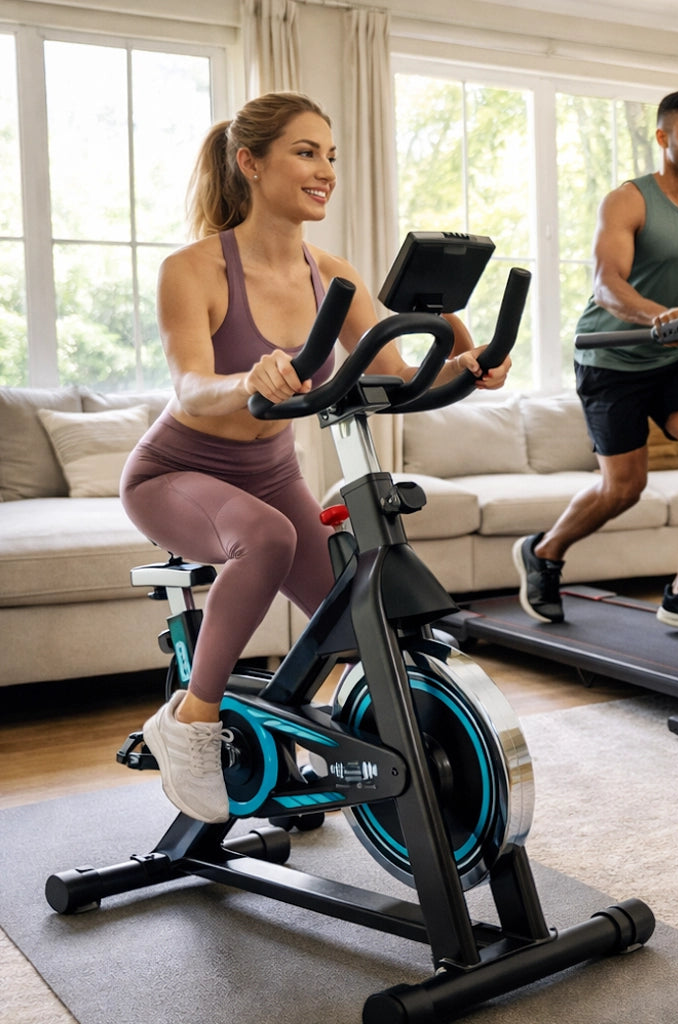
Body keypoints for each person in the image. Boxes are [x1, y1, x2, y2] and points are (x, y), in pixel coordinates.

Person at [125, 92, 510, 823]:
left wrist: (469, 365)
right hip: (175, 473)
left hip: (272, 474)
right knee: (265, 539)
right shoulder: (195, 268)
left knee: (352, 613)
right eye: (305, 153)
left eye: (330, 155)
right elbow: (190, 390)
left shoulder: (334, 275)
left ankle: (269, 742)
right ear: (251, 162)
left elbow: (393, 375)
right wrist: (248, 380)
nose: (324, 170)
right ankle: (193, 722)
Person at [514, 90, 678, 639]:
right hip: (611, 357)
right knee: (623, 488)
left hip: (674, 356)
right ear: (664, 137)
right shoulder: (628, 201)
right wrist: (658, 316)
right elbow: (607, 285)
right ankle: (544, 551)